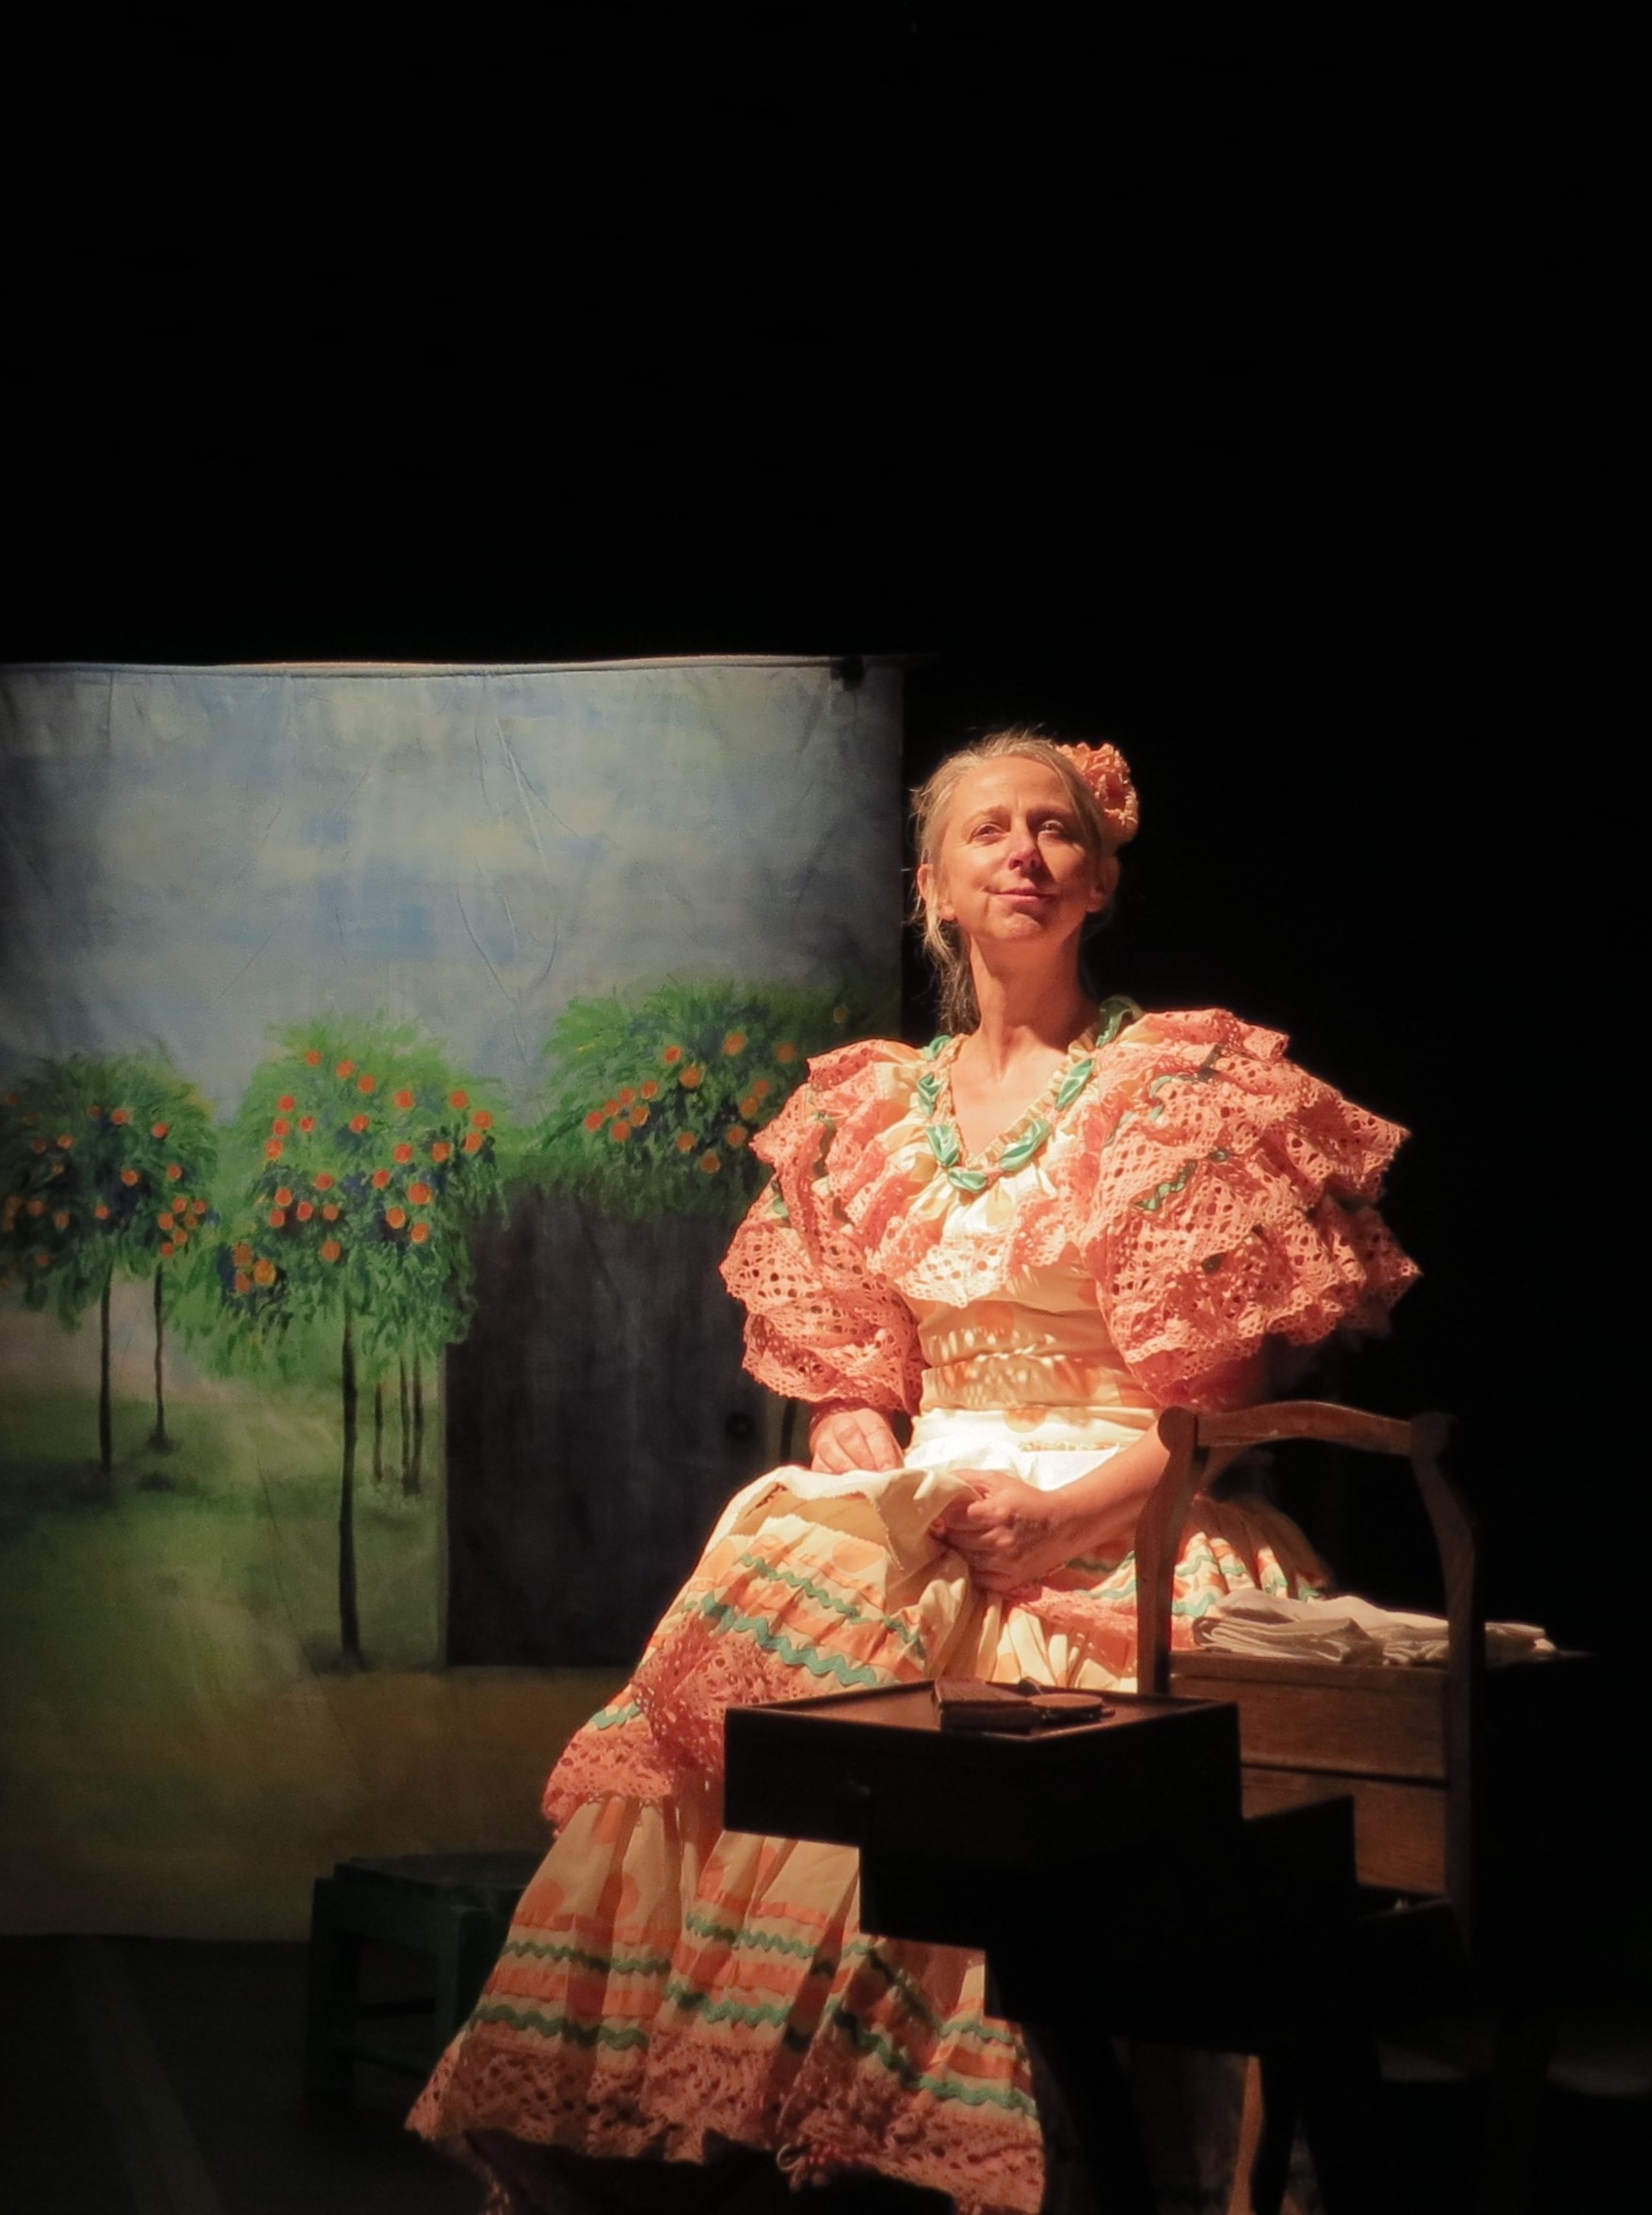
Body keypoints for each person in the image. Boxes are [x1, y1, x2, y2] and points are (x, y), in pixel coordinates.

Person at [410, 730, 1417, 2215]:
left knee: (1036, 1824)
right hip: (928, 1507)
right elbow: (857, 1373)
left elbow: (1220, 1407)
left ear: (1098, 878)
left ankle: (1007, 2153)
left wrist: (1059, 1514)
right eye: (987, 830)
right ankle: (723, 2142)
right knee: (777, 1681)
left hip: (1126, 1509)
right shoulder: (869, 1107)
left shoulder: (1178, 1088)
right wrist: (852, 1429)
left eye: (1055, 829)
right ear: (932, 884)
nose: (1024, 852)